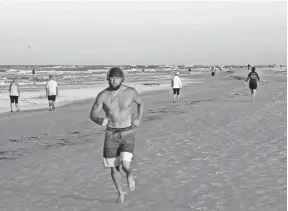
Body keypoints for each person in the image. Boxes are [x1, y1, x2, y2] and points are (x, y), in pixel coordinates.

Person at [90, 67, 144, 204]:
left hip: (127, 132)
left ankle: (130, 175)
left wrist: (139, 119)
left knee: (126, 165)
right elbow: (93, 114)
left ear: (122, 79)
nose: (114, 81)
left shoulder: (130, 92)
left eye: (117, 78)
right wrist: (99, 120)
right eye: (112, 78)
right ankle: (120, 193)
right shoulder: (103, 95)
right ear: (108, 78)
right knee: (114, 167)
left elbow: (140, 103)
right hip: (111, 134)